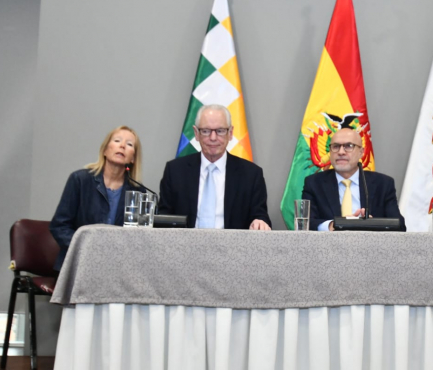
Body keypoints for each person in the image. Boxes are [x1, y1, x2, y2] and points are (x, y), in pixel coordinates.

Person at [158, 104, 271, 230]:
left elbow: (260, 216)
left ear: (230, 133)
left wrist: (259, 222)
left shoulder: (251, 174)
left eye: (220, 131)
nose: (213, 138)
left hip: (232, 243)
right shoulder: (175, 171)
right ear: (196, 133)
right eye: (206, 131)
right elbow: (163, 218)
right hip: (184, 242)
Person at [50, 126, 145, 271]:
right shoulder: (80, 180)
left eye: (129, 144)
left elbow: (139, 237)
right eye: (117, 141)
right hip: (78, 264)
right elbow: (59, 226)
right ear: (105, 150)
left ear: (133, 158)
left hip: (116, 268)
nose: (122, 146)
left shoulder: (138, 192)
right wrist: (87, 250)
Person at [302, 127, 406, 231]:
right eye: (336, 146)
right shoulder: (314, 183)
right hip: (329, 241)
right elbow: (305, 223)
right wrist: (333, 225)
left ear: (361, 152)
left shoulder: (383, 184)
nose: (341, 152)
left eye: (348, 146)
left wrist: (372, 224)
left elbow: (400, 226)